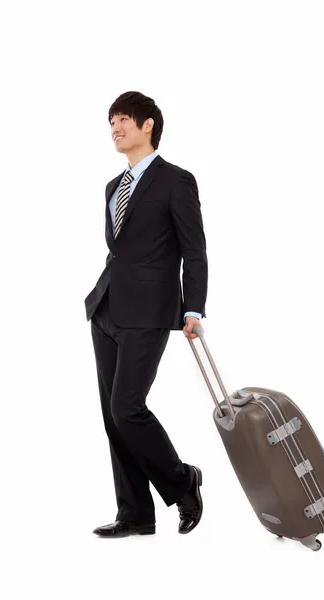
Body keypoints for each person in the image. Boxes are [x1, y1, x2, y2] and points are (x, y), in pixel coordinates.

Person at [84, 91, 208, 538]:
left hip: (150, 311)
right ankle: (135, 513)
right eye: (111, 121)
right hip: (106, 309)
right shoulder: (112, 187)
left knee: (127, 407)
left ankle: (182, 481)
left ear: (147, 124)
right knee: (112, 416)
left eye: (122, 119)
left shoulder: (176, 181)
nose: (114, 128)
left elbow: (194, 250)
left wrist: (193, 308)